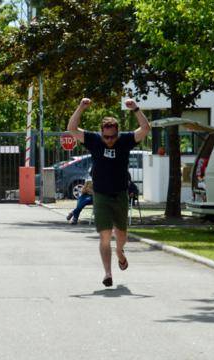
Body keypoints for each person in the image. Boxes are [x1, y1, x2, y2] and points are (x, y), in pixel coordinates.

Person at [67, 97, 150, 287]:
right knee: (105, 235)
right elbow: (72, 128)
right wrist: (81, 107)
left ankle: (120, 252)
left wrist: (136, 109)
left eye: (113, 137)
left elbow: (145, 129)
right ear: (101, 133)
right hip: (101, 195)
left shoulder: (126, 140)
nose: (110, 141)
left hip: (120, 194)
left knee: (121, 234)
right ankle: (107, 273)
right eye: (107, 137)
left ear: (117, 133)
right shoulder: (94, 140)